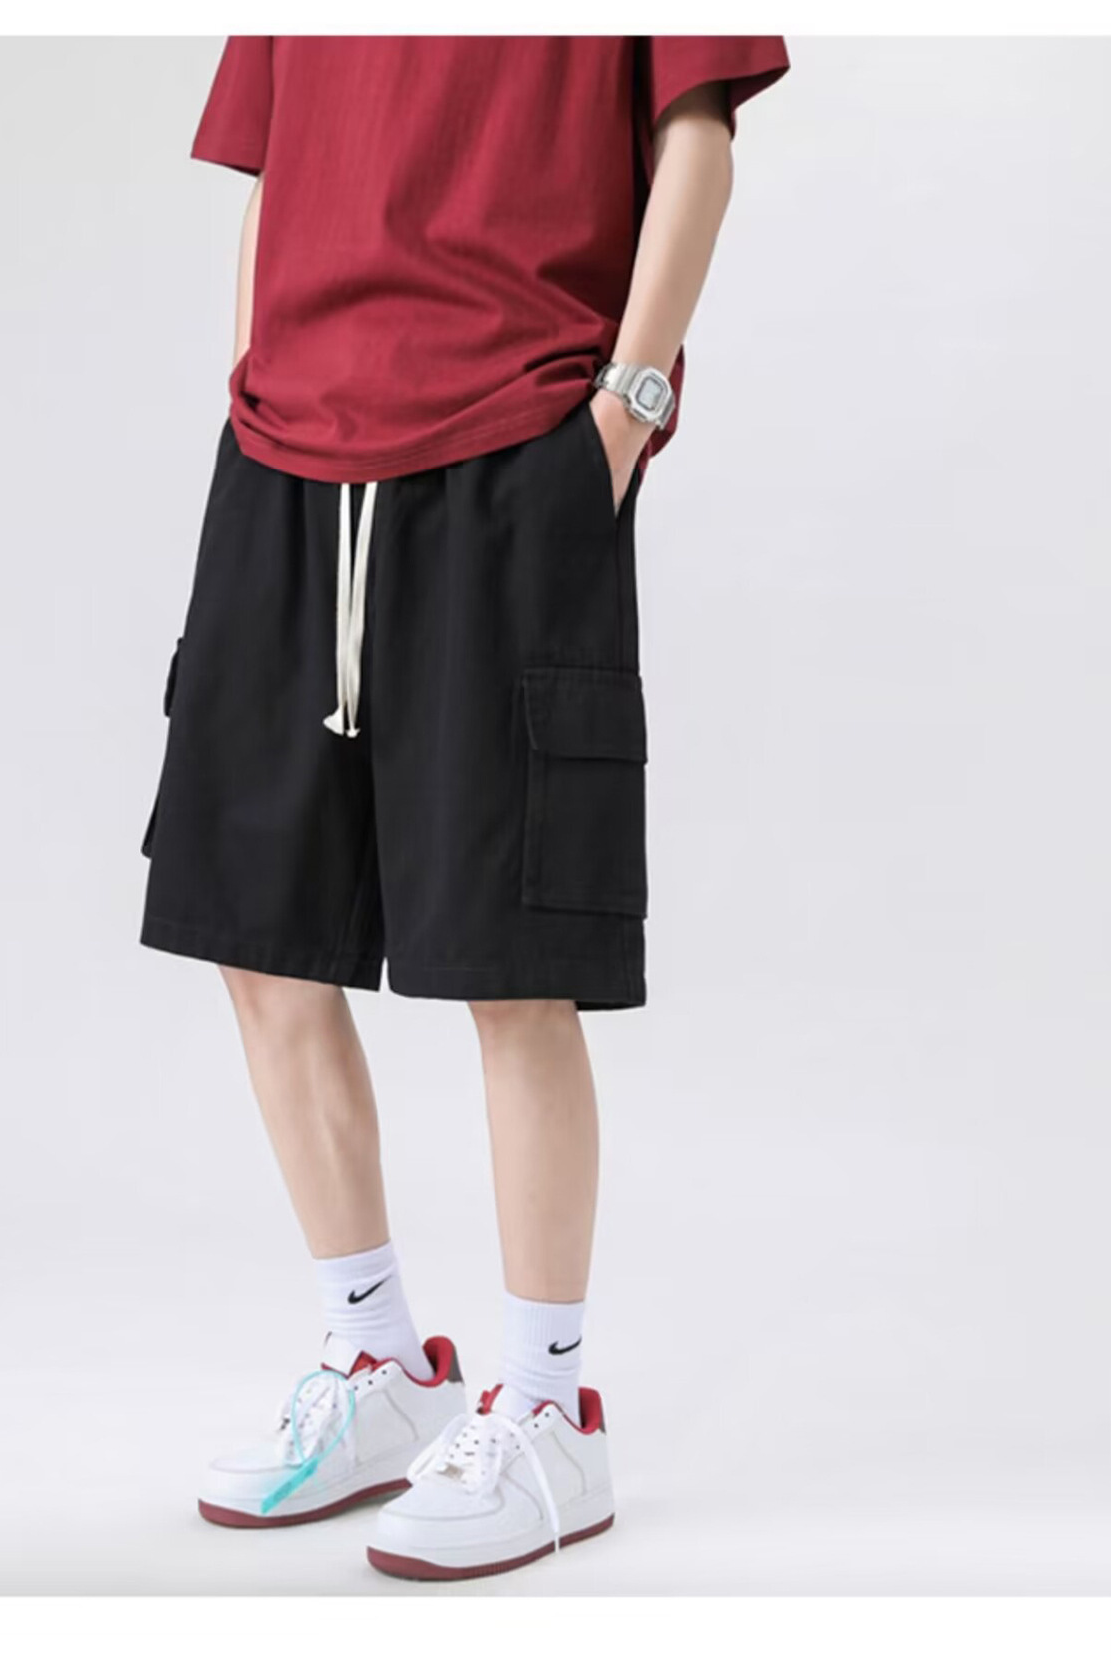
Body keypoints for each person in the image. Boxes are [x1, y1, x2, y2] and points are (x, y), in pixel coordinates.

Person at [141, 35, 789, 1582]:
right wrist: (253, 383)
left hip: (513, 450)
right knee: (258, 936)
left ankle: (552, 1409)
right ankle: (376, 1361)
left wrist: (625, 412)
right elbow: (274, 162)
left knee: (513, 960)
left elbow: (697, 133)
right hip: (285, 456)